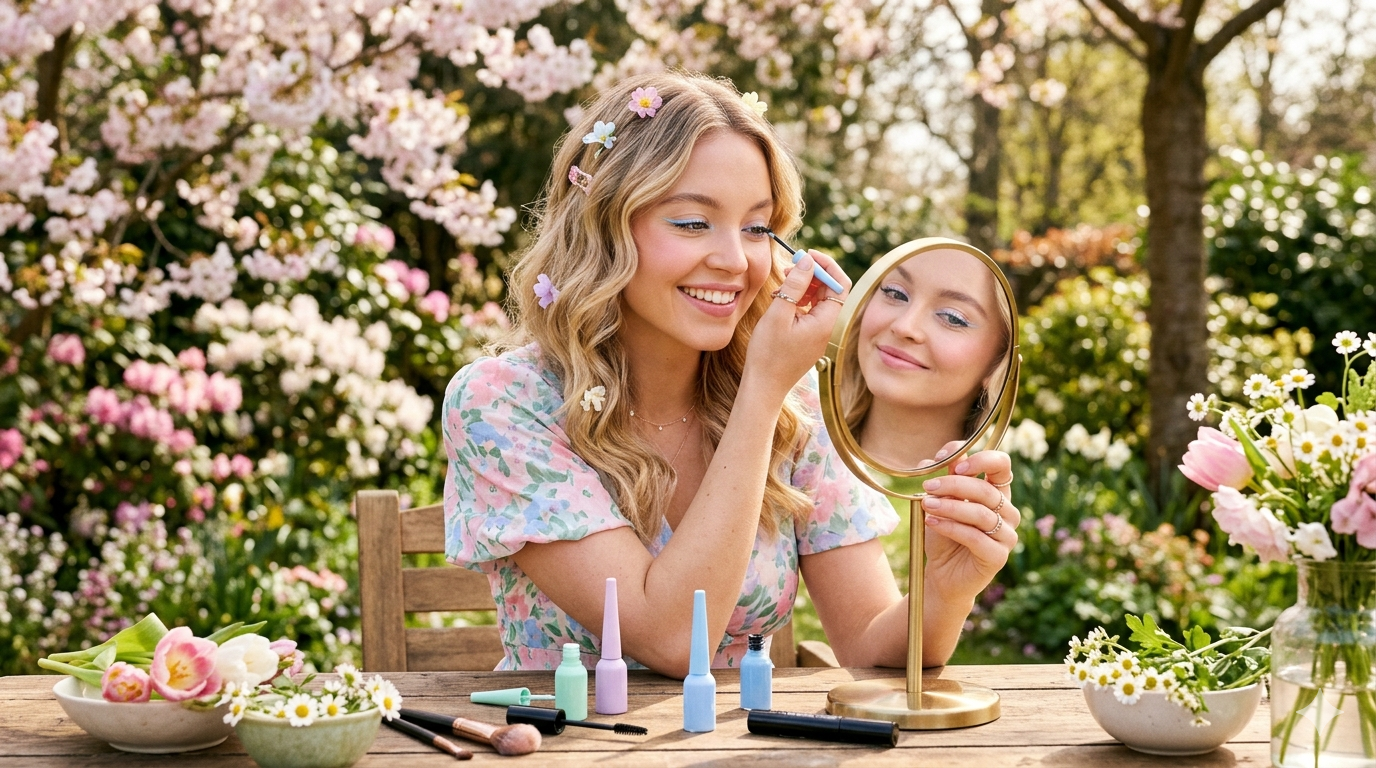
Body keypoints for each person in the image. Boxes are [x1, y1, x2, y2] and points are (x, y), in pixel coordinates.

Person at [441, 71, 1019, 676]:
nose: (735, 260)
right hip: (567, 730)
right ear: (603, 225)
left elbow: (869, 644)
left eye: (756, 228)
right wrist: (762, 391)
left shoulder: (794, 402)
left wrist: (945, 588)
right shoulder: (503, 402)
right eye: (693, 223)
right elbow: (671, 640)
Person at [840, 249, 1014, 469]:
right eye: (896, 293)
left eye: (953, 318)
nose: (904, 327)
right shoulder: (798, 435)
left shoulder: (1001, 487)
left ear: (999, 362)